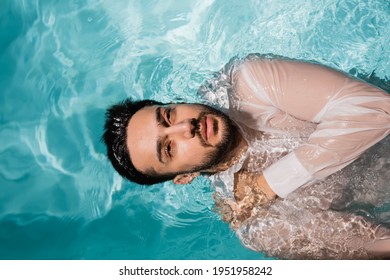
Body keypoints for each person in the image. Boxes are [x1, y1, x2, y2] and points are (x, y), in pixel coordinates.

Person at [103, 54, 390, 259]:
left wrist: (267, 185)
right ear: (184, 177)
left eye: (168, 116)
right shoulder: (260, 225)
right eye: (169, 148)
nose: (184, 127)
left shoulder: (248, 82)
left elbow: (377, 108)